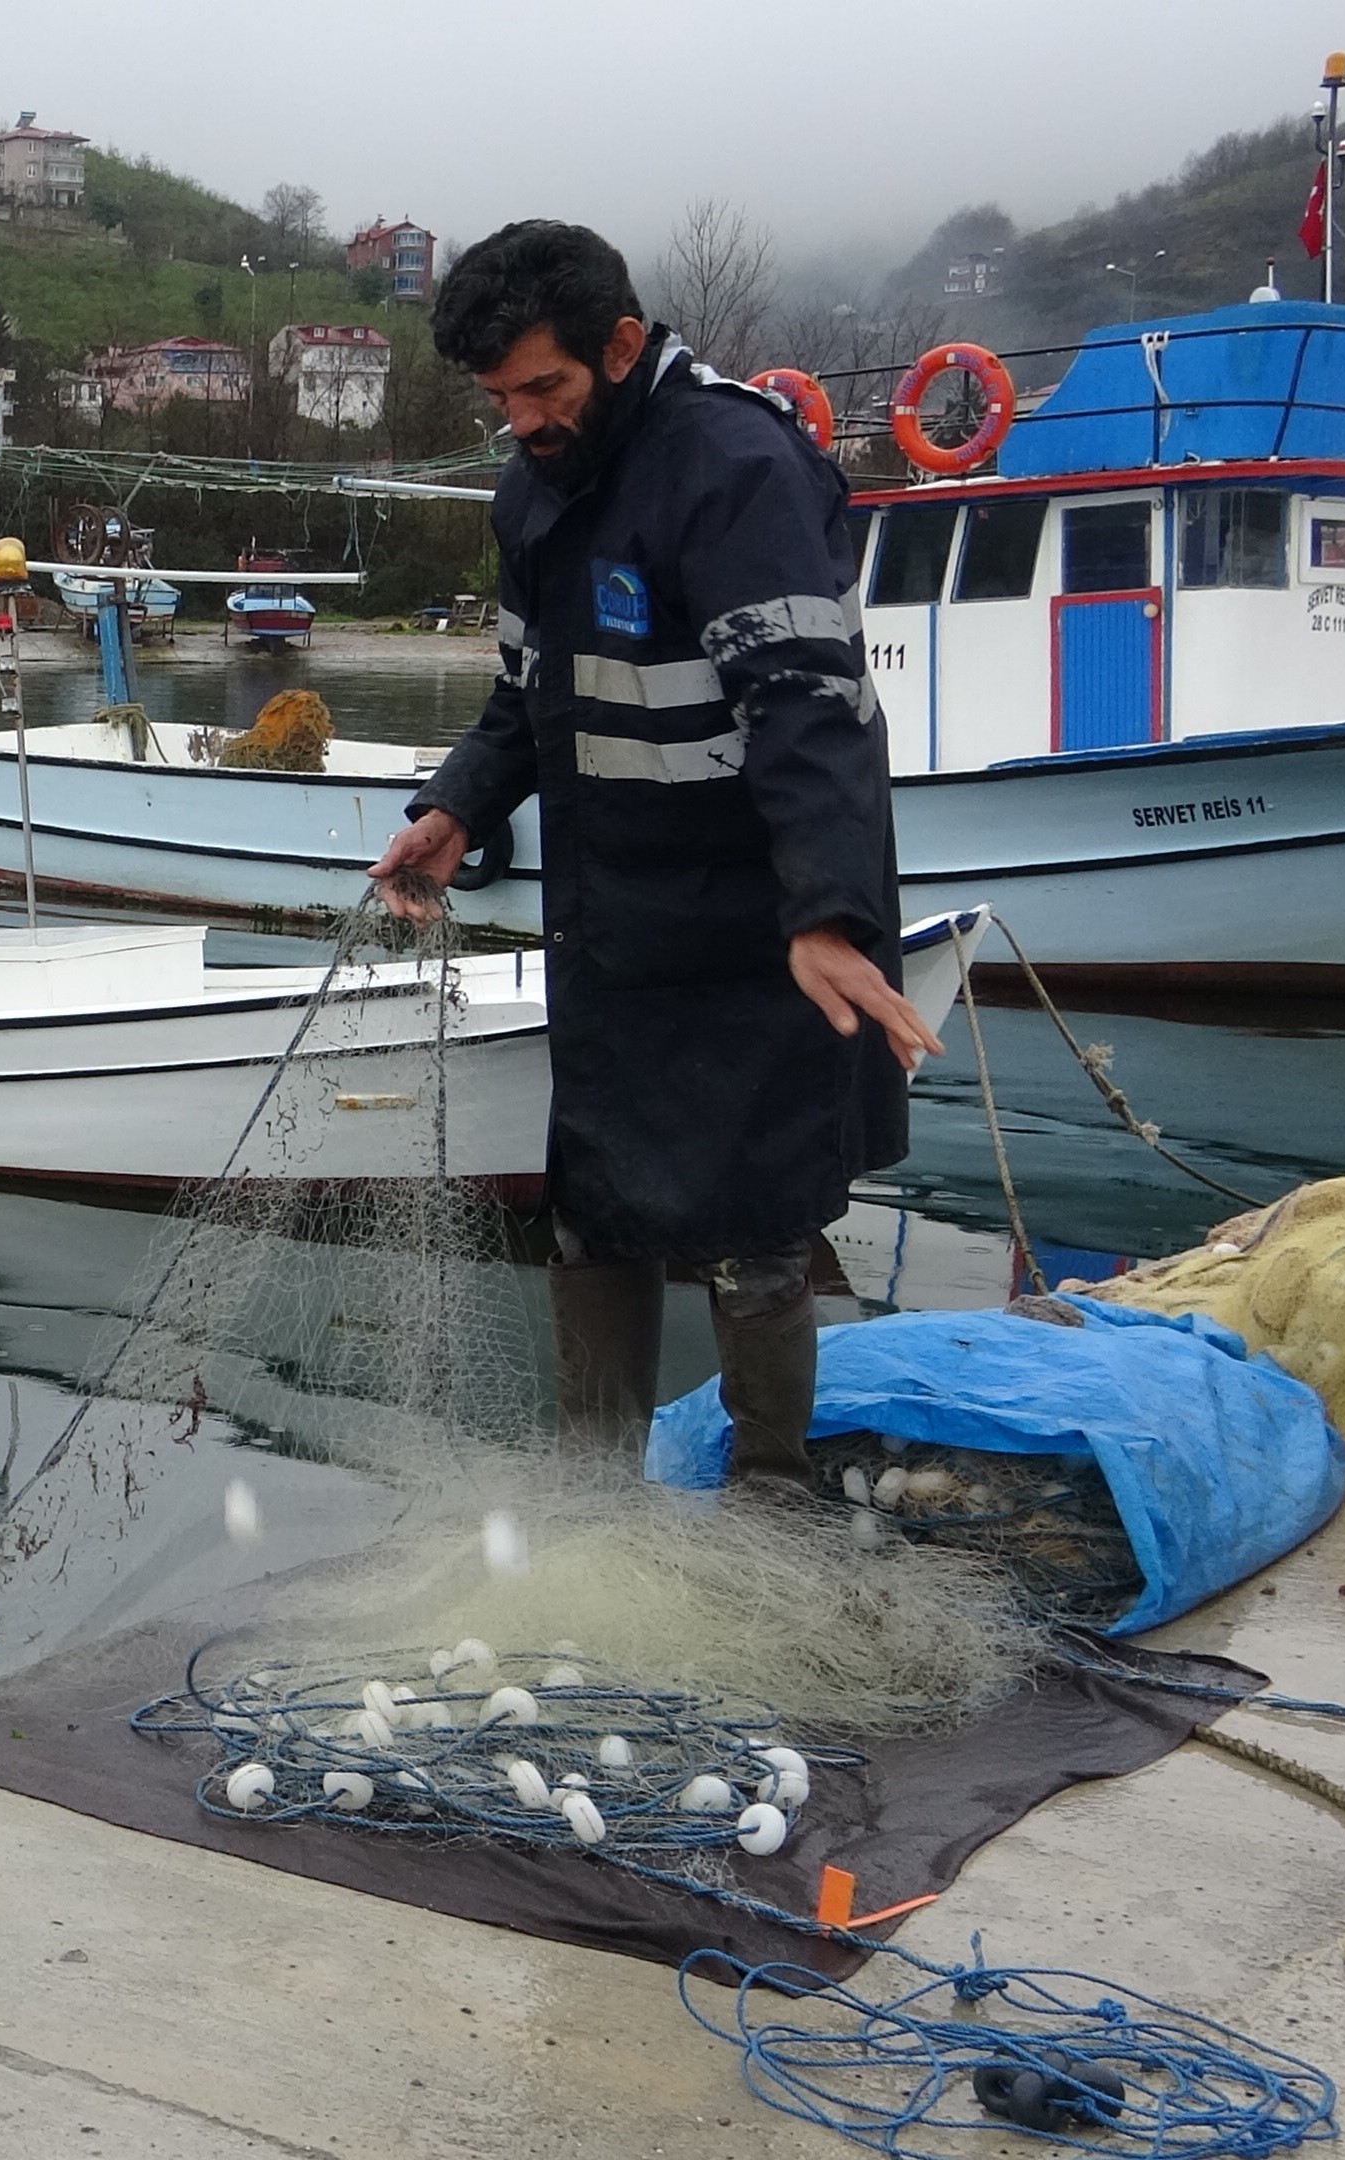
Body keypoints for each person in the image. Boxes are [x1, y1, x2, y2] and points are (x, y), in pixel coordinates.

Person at [366, 221, 939, 1479]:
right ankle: (592, 1504)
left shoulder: (738, 469)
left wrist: (829, 915)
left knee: (758, 1240)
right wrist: (460, 803)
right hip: (612, 927)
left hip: (760, 931)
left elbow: (808, 704)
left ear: (621, 347)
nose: (522, 420)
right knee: (594, 1219)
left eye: (546, 389)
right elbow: (529, 696)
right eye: (501, 397)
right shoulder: (533, 496)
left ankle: (774, 1504)